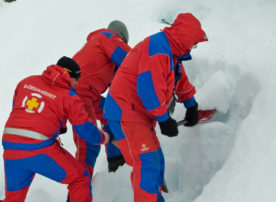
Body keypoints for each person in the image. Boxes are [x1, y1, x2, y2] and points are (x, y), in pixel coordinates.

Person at [103, 13, 208, 202]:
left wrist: (191, 104)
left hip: (138, 115)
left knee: (156, 160)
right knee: (147, 163)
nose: (194, 47)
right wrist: (163, 119)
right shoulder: (158, 49)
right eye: (194, 43)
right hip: (125, 112)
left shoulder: (171, 53)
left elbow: (179, 78)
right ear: (186, 38)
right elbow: (148, 89)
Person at [1, 56, 109, 202]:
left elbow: (19, 108)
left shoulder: (27, 82)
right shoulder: (68, 96)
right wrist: (104, 137)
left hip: (11, 149)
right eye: (76, 79)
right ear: (70, 76)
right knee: (80, 179)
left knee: (13, 199)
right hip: (38, 150)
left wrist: (59, 125)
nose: (76, 84)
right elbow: (85, 130)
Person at [71, 20, 131, 177]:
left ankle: (116, 160)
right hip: (79, 95)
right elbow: (133, 60)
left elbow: (119, 88)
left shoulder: (98, 49)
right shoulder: (108, 38)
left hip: (86, 95)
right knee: (88, 143)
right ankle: (78, 192)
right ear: (121, 38)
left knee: (110, 113)